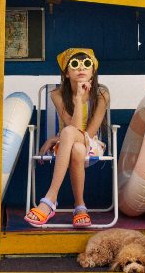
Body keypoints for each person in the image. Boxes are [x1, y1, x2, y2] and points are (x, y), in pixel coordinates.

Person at [25, 48, 109, 228]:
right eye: (75, 64)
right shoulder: (57, 95)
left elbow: (89, 132)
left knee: (69, 134)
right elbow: (73, 127)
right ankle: (80, 207)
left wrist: (56, 138)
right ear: (66, 73)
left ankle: (50, 199)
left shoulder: (101, 95)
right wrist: (78, 98)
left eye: (87, 64)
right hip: (68, 146)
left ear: (93, 71)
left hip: (91, 144)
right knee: (75, 147)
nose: (81, 68)